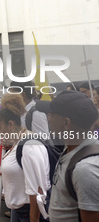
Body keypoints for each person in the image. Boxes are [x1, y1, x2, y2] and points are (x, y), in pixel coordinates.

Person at [36, 90, 99, 222]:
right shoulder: (71, 148)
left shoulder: (85, 169)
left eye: (51, 115)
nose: (48, 118)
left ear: (66, 123)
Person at [0, 93, 51, 222]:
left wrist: (33, 218)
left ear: (11, 124)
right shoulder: (19, 142)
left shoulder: (29, 146)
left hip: (29, 212)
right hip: (20, 210)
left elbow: (37, 190)